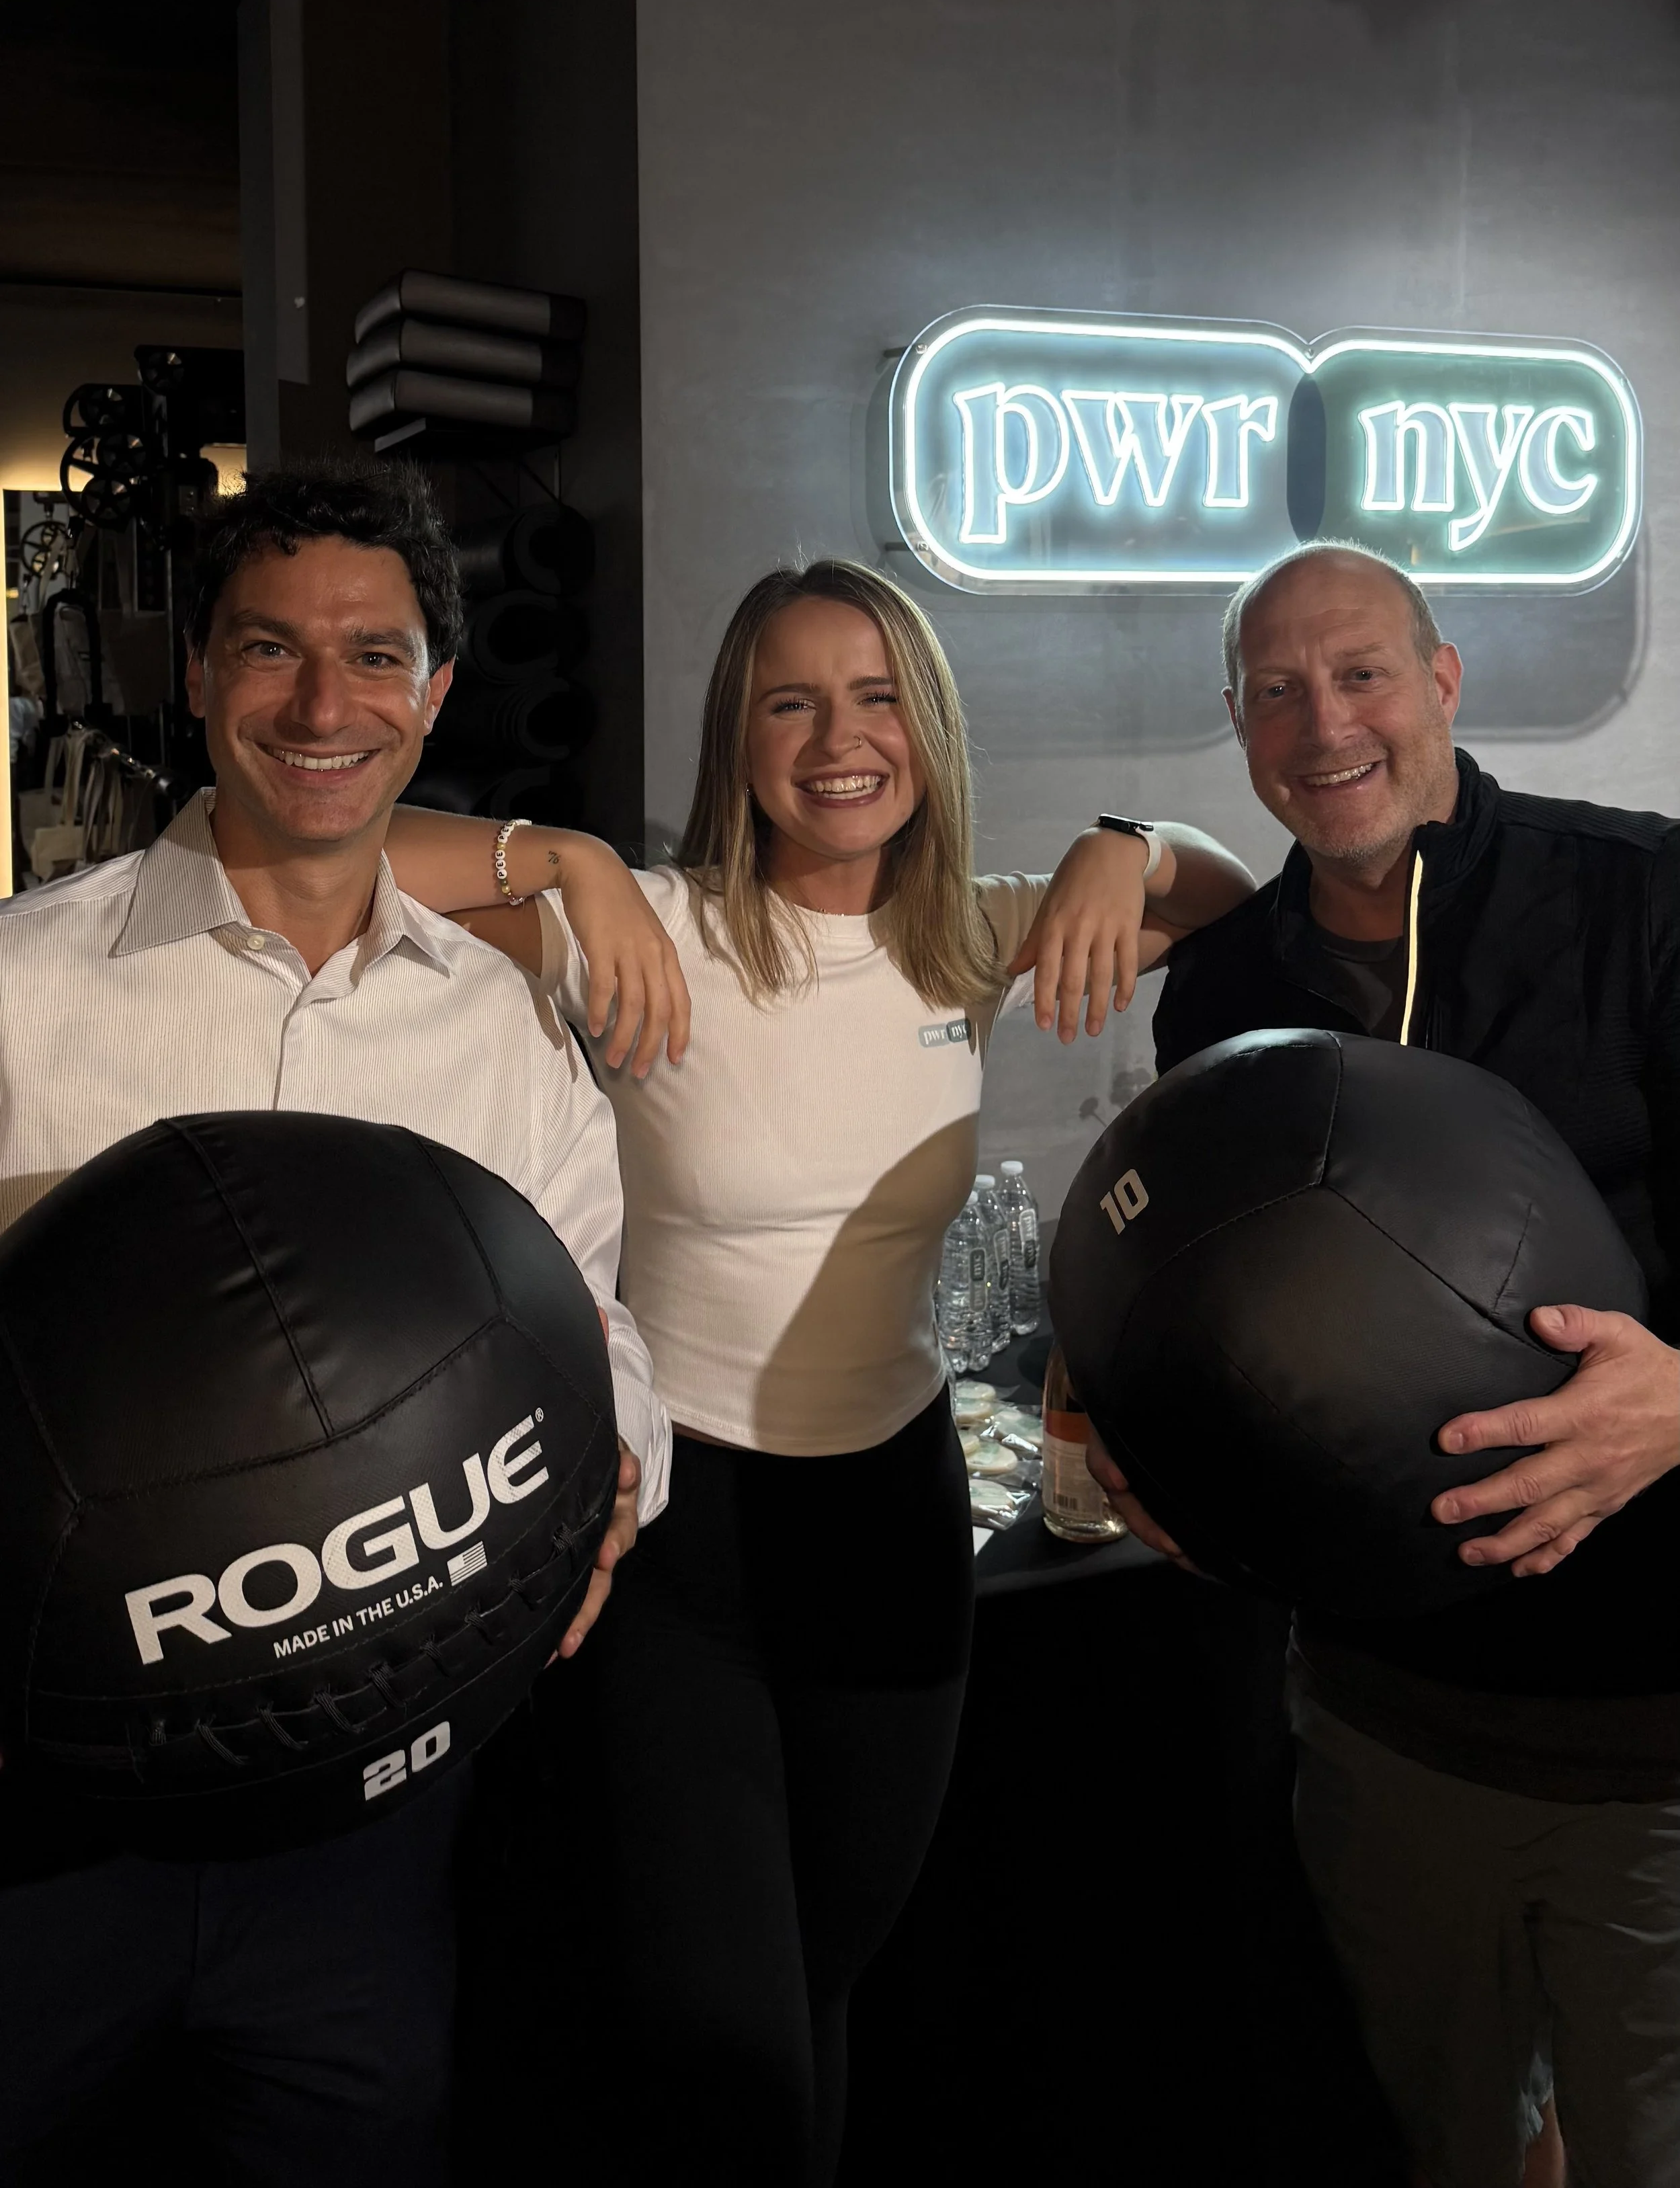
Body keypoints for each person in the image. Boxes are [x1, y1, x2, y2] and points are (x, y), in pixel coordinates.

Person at [386, 555, 1255, 2186]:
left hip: (890, 1523)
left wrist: (1116, 841)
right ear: (737, 732)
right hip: (677, 1540)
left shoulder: (972, 938)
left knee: (825, 1982)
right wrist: (559, 851)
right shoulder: (646, 926)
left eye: (874, 695)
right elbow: (347, 850)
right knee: (723, 2049)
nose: (837, 735)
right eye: (790, 697)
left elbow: (1227, 893)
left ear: (922, 725)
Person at [0, 460, 669, 2187]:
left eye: (375, 657)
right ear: (201, 674)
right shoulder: (20, 989)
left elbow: (592, 1316)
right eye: (269, 650)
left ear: (435, 690)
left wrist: (615, 1472)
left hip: (367, 1818)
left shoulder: (503, 1030)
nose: (323, 704)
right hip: (40, 1810)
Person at [1093, 540, 1680, 2188]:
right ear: (1234, 721)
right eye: (1273, 688)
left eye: (1357, 672)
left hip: (1648, 1741)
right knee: (1444, 2143)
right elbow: (1208, 1298)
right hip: (1377, 1724)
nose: (1320, 719)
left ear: (1441, 680)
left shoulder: (1639, 897)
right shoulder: (1223, 985)